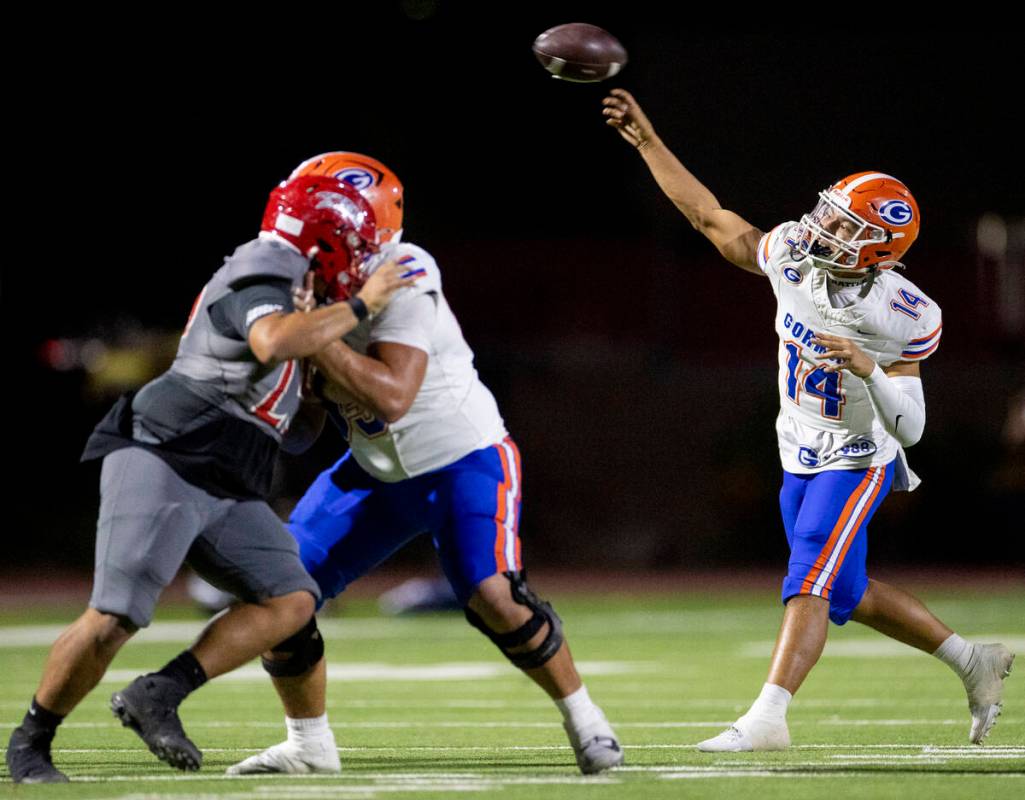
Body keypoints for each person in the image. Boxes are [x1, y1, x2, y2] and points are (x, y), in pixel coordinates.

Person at [601, 89, 1015, 752]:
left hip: (856, 457)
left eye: (848, 227)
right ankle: (973, 661)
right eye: (829, 213)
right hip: (796, 447)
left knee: (809, 579)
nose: (824, 228)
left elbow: (909, 429)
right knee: (846, 590)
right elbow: (711, 219)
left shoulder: (904, 312)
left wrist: (868, 369)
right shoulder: (793, 254)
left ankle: (767, 718)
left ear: (881, 250)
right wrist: (648, 140)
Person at [5, 175, 414, 783]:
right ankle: (29, 745)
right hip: (169, 450)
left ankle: (160, 693)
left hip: (228, 470)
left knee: (291, 598)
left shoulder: (305, 287)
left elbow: (290, 427)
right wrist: (357, 309)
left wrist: (329, 390)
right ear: (329, 234)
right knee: (116, 615)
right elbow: (271, 340)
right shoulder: (265, 264)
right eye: (357, 239)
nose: (365, 256)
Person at [226, 152, 624, 776]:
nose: (299, 245)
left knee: (494, 595)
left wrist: (316, 335)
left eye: (317, 229)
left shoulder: (405, 269)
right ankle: (308, 744)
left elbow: (390, 395)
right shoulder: (304, 287)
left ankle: (585, 719)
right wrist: (288, 370)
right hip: (374, 471)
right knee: (278, 590)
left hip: (462, 459)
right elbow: (302, 436)